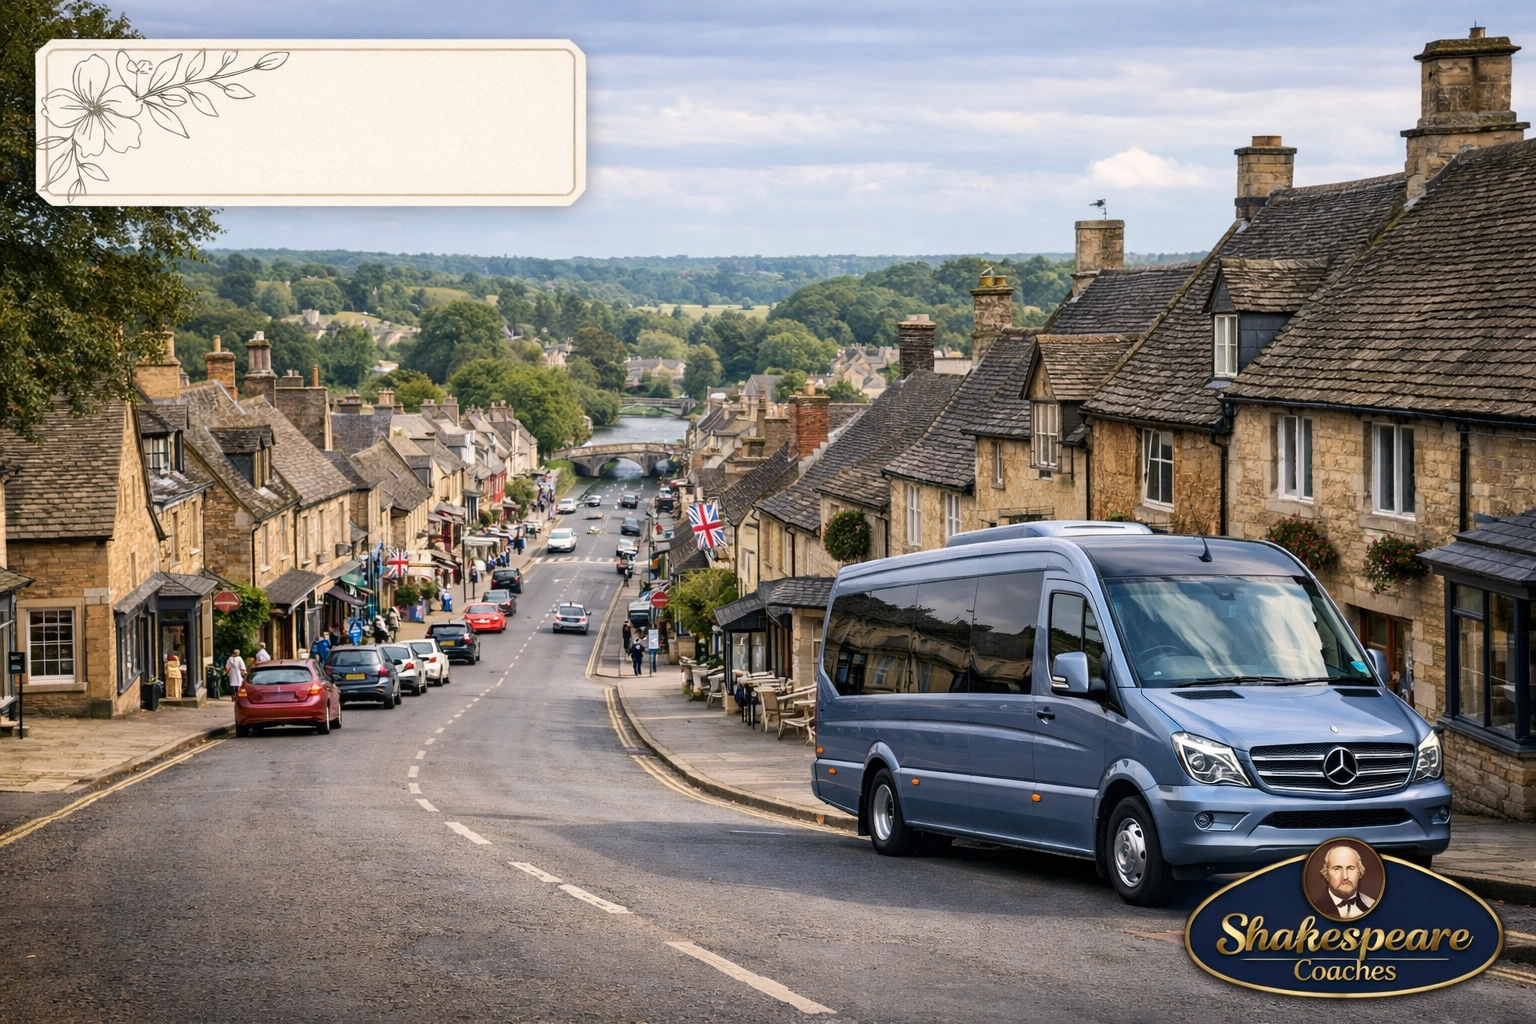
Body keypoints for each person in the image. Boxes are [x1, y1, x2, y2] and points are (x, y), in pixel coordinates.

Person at [1318, 844, 1376, 919]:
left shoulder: (1372, 905)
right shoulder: (1315, 908)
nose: (1345, 876)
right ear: (1326, 874)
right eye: (1337, 869)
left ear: (1360, 872)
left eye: (1351, 868)